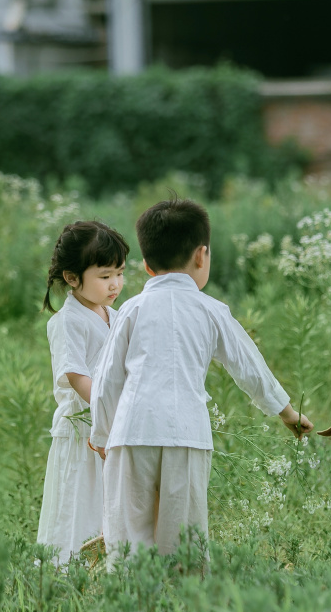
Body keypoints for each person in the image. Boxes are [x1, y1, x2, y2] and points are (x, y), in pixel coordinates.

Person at [90, 197, 313, 561]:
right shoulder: (211, 310)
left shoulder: (130, 309)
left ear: (146, 265)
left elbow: (107, 381)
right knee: (184, 543)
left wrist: (103, 434)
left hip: (132, 432)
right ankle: (185, 595)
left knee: (128, 540)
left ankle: (130, 595)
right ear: (201, 255)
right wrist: (286, 412)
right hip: (187, 436)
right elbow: (249, 365)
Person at [36, 220, 129, 566]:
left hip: (111, 426)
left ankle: (108, 575)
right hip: (82, 430)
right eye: (105, 276)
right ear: (72, 278)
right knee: (78, 504)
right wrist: (112, 410)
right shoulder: (67, 321)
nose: (115, 284)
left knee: (111, 504)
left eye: (120, 273)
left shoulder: (115, 315)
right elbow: (76, 376)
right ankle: (67, 574)